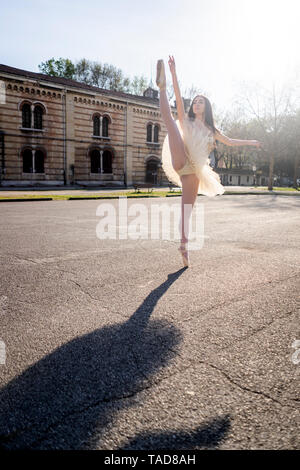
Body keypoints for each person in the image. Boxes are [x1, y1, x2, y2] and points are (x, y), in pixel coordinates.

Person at [156, 56, 262, 267]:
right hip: (180, 158)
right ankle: (161, 86)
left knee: (187, 210)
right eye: (194, 101)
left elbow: (230, 141)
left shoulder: (212, 130)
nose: (196, 104)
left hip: (194, 171)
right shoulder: (187, 120)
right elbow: (178, 97)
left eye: (200, 102)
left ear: (206, 107)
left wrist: (251, 141)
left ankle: (183, 246)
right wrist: (174, 74)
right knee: (171, 122)